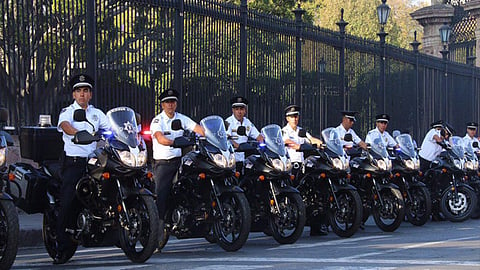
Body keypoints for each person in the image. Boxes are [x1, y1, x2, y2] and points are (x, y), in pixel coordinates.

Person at [55, 73, 110, 264]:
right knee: (68, 201)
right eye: (78, 91)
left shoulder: (97, 114)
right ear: (73, 94)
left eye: (85, 91)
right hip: (74, 162)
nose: (82, 94)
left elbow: (110, 129)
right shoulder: (68, 112)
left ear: (90, 95)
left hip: (94, 162)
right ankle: (61, 248)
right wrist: (80, 133)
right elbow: (65, 126)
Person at [150, 88, 205, 249]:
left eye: (173, 102)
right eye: (167, 102)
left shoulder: (181, 118)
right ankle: (157, 232)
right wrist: (174, 142)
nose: (170, 105)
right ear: (162, 104)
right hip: (163, 162)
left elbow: (199, 129)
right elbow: (160, 138)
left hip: (181, 160)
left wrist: (206, 135)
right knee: (161, 194)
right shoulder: (157, 121)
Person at [281, 105, 325, 236]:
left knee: (313, 192)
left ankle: (316, 225)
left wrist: (320, 143)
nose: (295, 119)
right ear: (287, 118)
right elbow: (289, 143)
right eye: (292, 116)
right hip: (289, 166)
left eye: (296, 116)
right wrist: (301, 146)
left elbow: (311, 139)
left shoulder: (302, 131)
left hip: (302, 166)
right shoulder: (284, 131)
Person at [225, 96, 263, 174]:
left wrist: (265, 143)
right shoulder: (228, 122)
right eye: (237, 109)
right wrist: (238, 146)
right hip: (231, 160)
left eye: (241, 109)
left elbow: (258, 136)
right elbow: (227, 138)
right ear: (233, 110)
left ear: (245, 110)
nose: (239, 112)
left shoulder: (247, 122)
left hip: (245, 159)